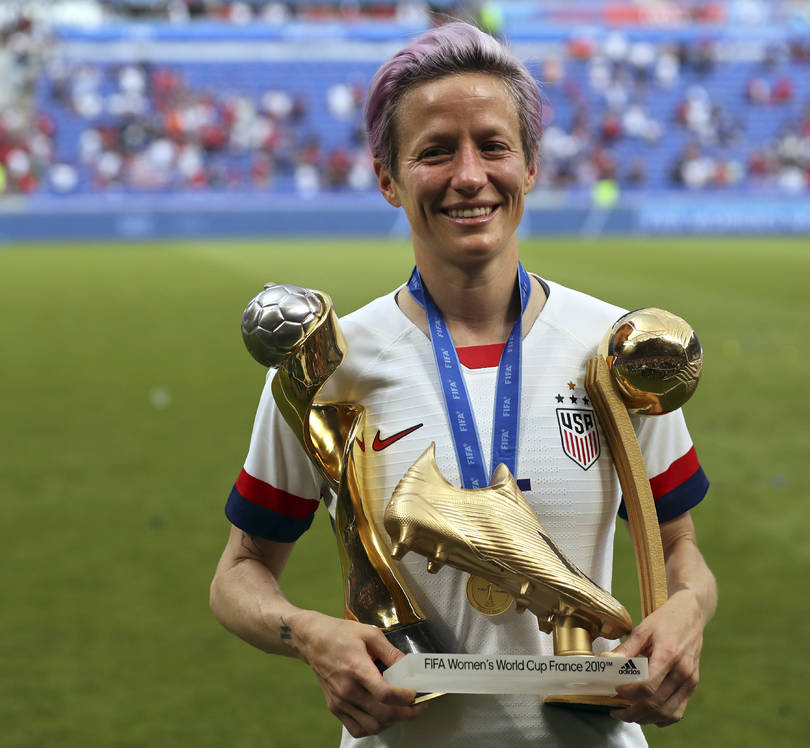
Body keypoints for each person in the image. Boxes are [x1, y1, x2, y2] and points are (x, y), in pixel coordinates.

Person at [210, 22, 717, 747]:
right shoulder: (327, 365)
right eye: (435, 152)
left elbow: (679, 548)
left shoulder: (617, 351)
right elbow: (239, 572)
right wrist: (310, 634)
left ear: (531, 165)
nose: (470, 176)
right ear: (389, 178)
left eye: (493, 145)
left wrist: (686, 612)